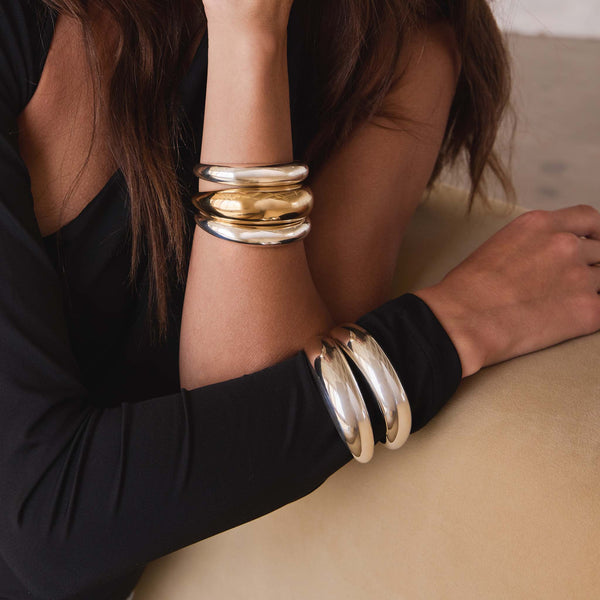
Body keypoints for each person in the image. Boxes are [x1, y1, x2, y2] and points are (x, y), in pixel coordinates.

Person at [1, 0, 598, 599]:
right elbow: (45, 527)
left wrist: (249, 36)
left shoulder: (393, 37)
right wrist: (438, 333)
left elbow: (246, 390)